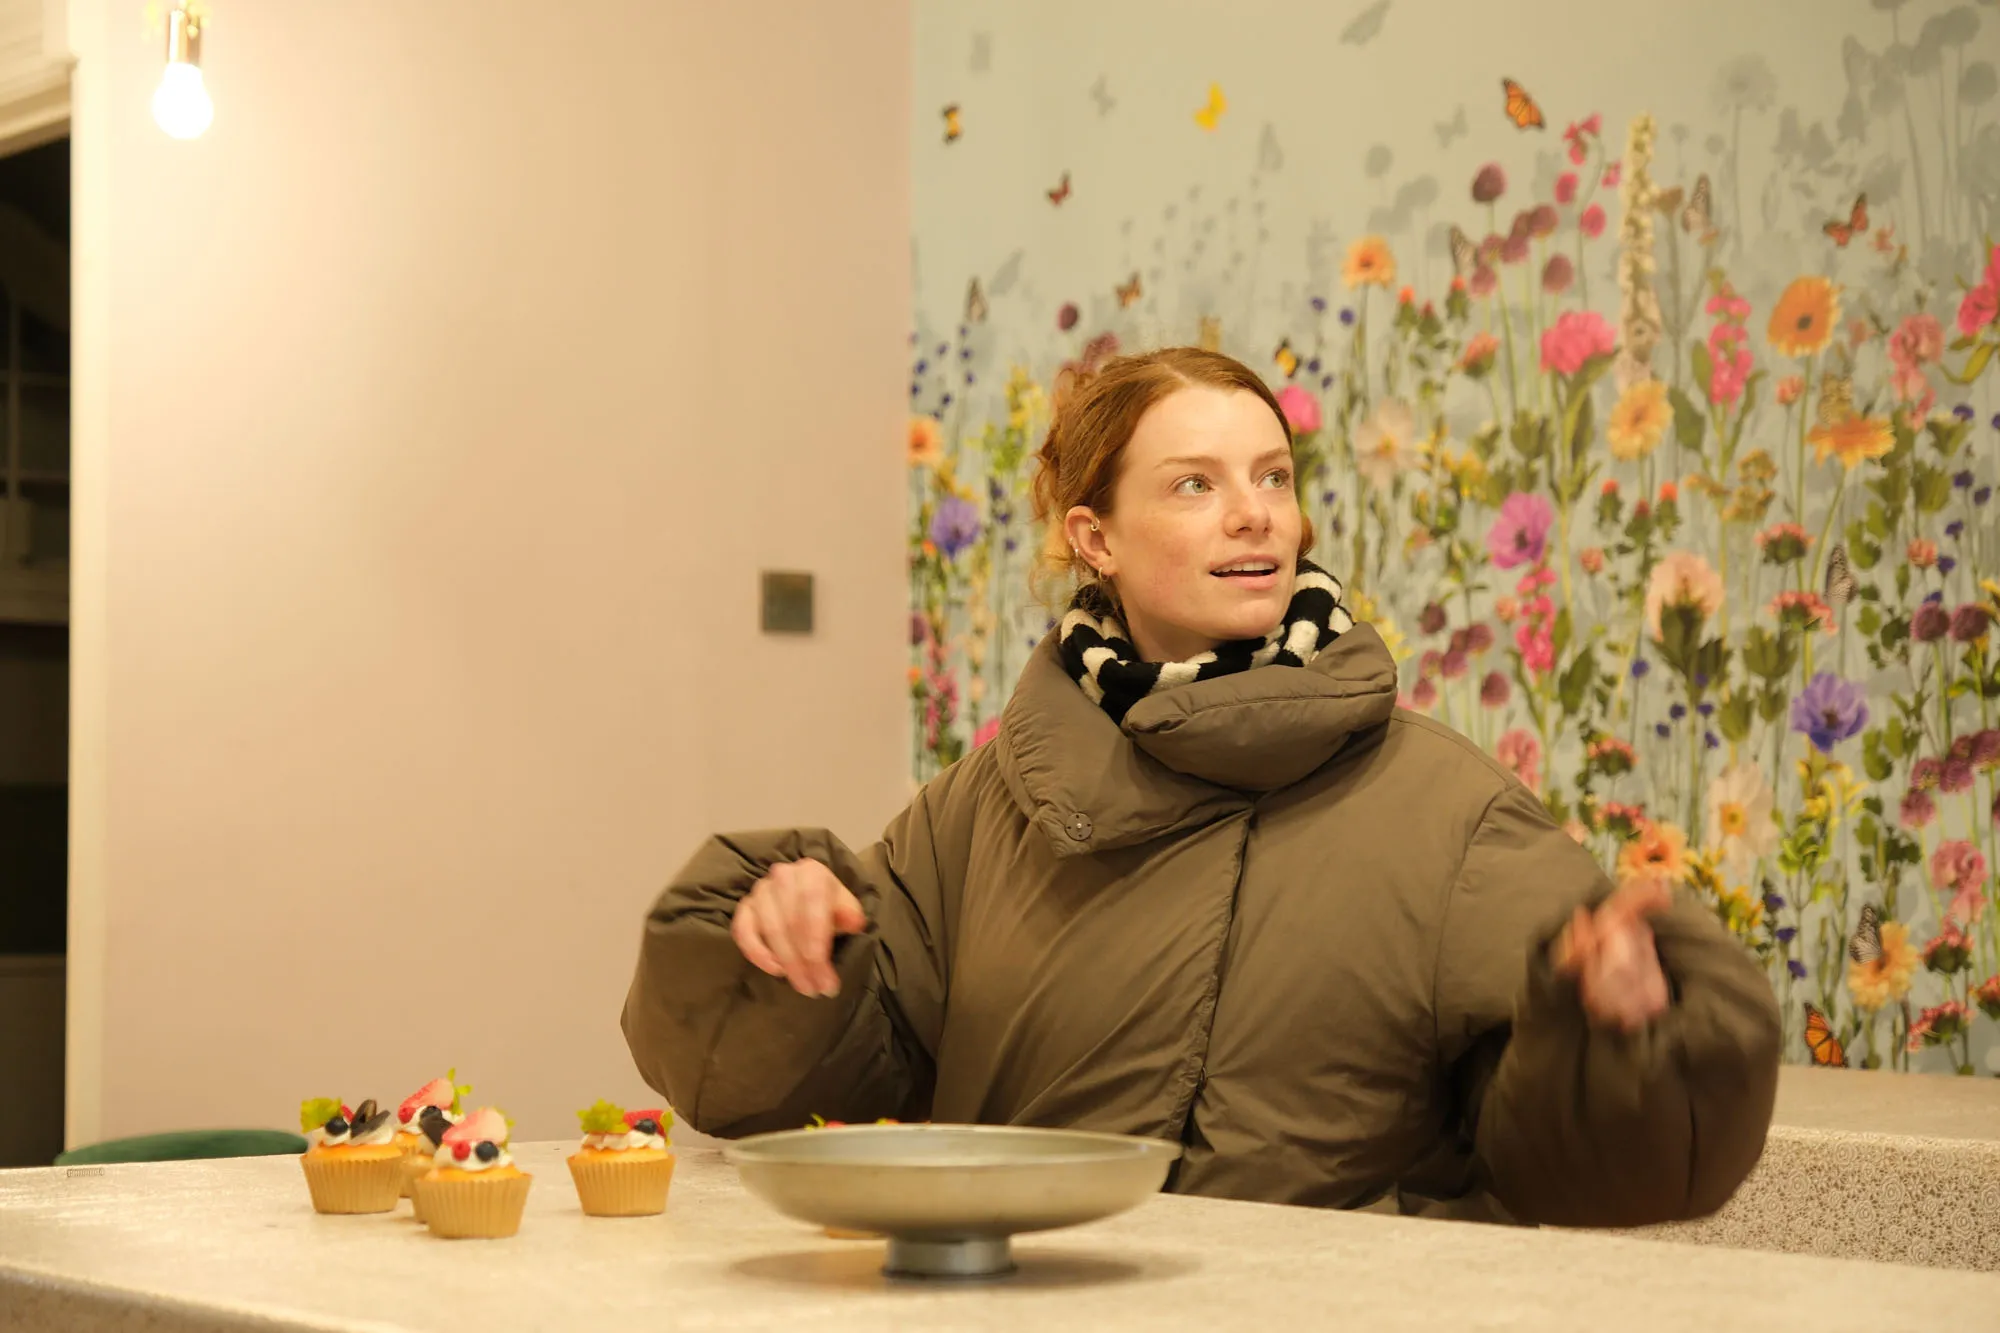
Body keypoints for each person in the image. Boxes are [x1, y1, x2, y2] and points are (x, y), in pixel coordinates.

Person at [622, 347, 1781, 1227]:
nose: (1253, 513)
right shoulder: (985, 804)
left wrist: (1634, 1035)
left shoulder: (1447, 813)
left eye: (1272, 476)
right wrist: (776, 961)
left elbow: (1585, 1166)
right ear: (1094, 537)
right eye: (1193, 484)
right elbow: (811, 1091)